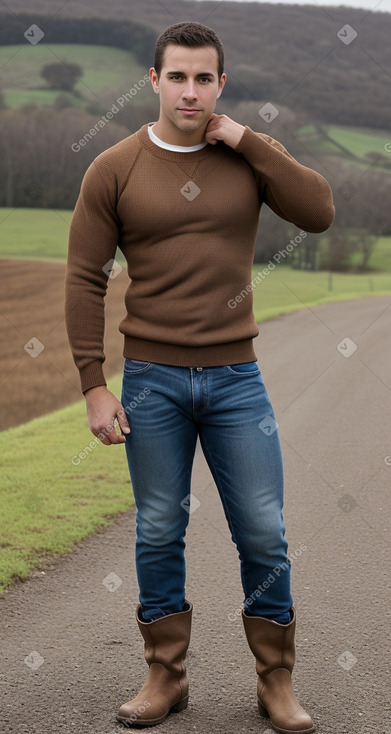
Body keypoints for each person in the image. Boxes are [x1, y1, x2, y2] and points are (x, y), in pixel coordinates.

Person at [65, 20, 334, 733]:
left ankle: (276, 682)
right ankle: (165, 676)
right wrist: (94, 383)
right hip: (150, 381)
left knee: (263, 532)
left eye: (203, 77)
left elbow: (318, 212)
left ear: (221, 83)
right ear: (153, 81)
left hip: (236, 381)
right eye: (176, 76)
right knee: (157, 529)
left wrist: (246, 140)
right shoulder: (113, 168)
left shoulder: (248, 157)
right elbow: (84, 279)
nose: (189, 90)